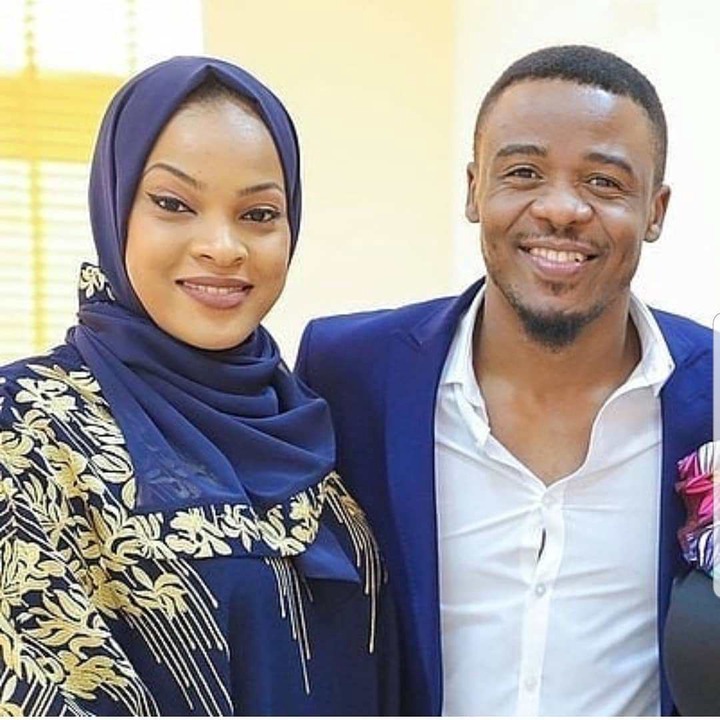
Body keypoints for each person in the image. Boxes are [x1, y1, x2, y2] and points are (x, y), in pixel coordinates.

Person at [295, 45, 713, 715]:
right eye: (523, 172)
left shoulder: (710, 390)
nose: (561, 209)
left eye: (604, 182)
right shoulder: (349, 375)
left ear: (656, 210)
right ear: (473, 190)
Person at [0, 56, 398, 716]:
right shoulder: (29, 426)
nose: (223, 246)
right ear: (116, 207)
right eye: (173, 204)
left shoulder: (308, 423)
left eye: (259, 213)